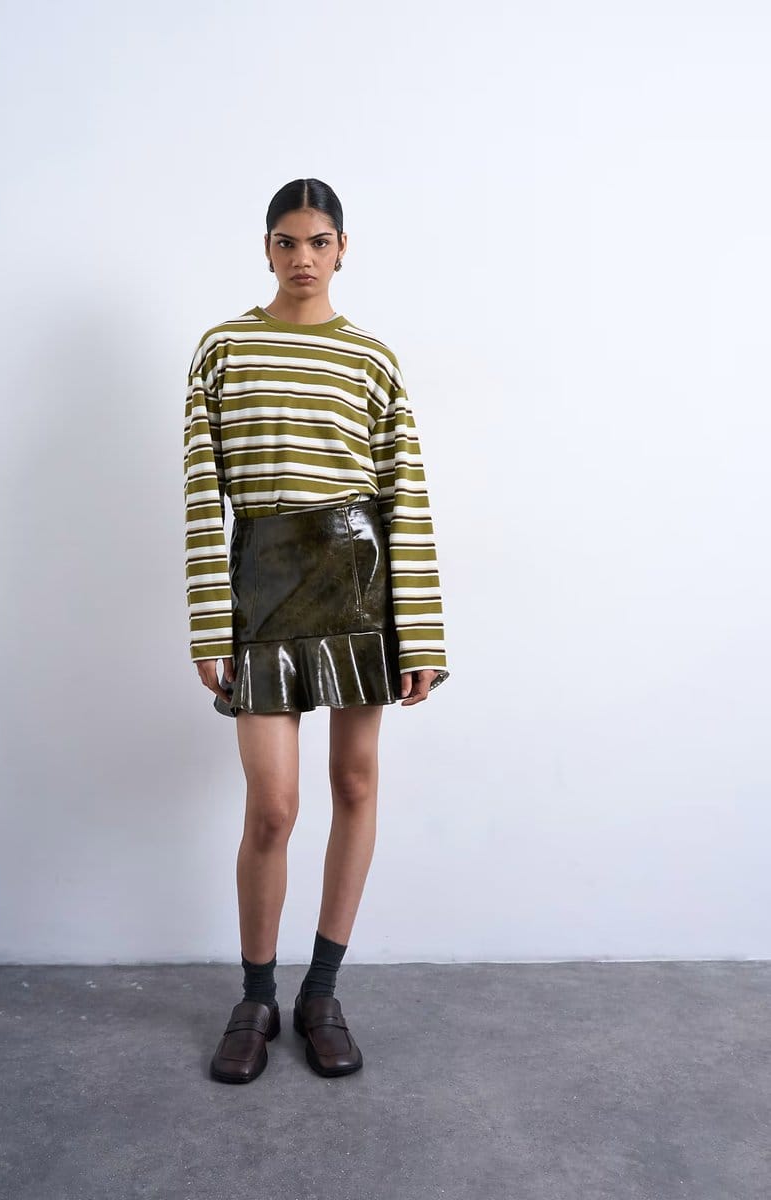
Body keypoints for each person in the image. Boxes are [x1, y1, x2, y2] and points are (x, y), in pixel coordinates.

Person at [183, 178, 450, 1083]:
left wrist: (421, 635)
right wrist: (208, 621)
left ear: (344, 249)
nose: (304, 257)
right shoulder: (223, 349)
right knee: (274, 806)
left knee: (356, 782)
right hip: (261, 590)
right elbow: (202, 496)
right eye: (288, 241)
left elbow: (404, 496)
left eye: (320, 241)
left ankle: (321, 993)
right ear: (266, 248)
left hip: (358, 587)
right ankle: (256, 998)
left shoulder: (372, 358)